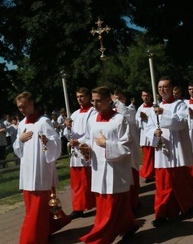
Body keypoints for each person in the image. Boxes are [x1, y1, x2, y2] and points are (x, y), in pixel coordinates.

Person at [79, 86, 139, 243]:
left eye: (98, 101)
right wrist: (84, 147)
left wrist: (107, 144)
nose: (95, 104)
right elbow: (87, 138)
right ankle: (128, 225)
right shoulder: (91, 120)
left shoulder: (119, 120)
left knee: (112, 205)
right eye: (93, 100)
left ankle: (101, 236)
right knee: (105, 203)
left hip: (115, 170)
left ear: (108, 100)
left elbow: (127, 145)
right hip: (98, 168)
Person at [13, 91, 65, 244]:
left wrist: (47, 141)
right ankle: (42, 233)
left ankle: (32, 239)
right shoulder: (21, 124)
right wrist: (20, 141)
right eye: (19, 107)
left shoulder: (44, 122)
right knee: (32, 208)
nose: (22, 110)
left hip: (41, 169)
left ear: (31, 104)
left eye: (24, 106)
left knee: (38, 209)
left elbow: (56, 143)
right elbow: (18, 149)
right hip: (27, 170)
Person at [146, 76, 193, 227]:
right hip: (162, 151)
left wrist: (163, 113)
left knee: (180, 182)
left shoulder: (179, 104)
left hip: (177, 151)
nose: (162, 89)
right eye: (160, 87)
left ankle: (187, 206)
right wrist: (153, 133)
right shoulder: (153, 108)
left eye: (165, 87)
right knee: (162, 184)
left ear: (172, 89)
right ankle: (161, 213)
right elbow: (147, 127)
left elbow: (181, 123)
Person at [63, 87, 96, 220]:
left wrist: (80, 141)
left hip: (87, 149)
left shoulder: (93, 112)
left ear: (88, 96)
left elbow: (93, 132)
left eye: (82, 96)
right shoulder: (74, 114)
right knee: (77, 182)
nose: (80, 99)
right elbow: (67, 135)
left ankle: (91, 203)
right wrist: (67, 127)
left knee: (88, 180)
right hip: (75, 152)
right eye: (77, 97)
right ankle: (78, 207)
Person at [113, 88, 141, 210]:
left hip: (130, 149)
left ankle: (134, 202)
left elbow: (124, 115)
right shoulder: (112, 113)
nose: (117, 101)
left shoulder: (130, 110)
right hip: (116, 148)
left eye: (119, 99)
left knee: (132, 176)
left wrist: (117, 103)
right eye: (115, 99)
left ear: (124, 99)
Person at [136, 90, 156, 183]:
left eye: (147, 95)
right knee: (147, 157)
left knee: (154, 155)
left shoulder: (155, 106)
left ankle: (152, 173)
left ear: (151, 96)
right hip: (144, 135)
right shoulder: (140, 108)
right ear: (141, 97)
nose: (145, 97)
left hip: (154, 135)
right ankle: (149, 174)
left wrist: (148, 118)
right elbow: (136, 121)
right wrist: (141, 118)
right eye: (143, 95)